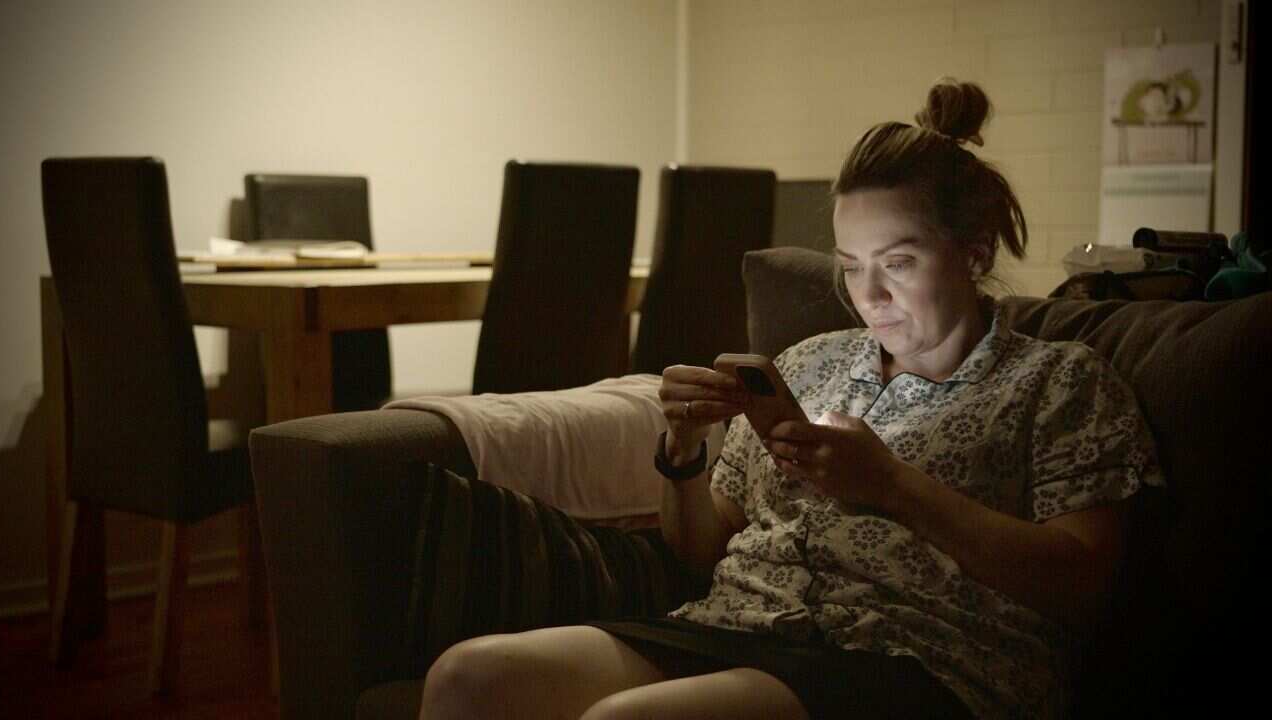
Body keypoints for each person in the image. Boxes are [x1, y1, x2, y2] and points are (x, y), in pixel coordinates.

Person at [417, 79, 1163, 720]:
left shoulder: (1060, 383)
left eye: (898, 262)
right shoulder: (808, 365)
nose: (869, 295)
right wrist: (679, 451)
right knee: (469, 678)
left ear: (974, 253)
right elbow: (702, 549)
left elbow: (1082, 589)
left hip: (917, 655)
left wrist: (895, 486)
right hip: (741, 620)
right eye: (850, 266)